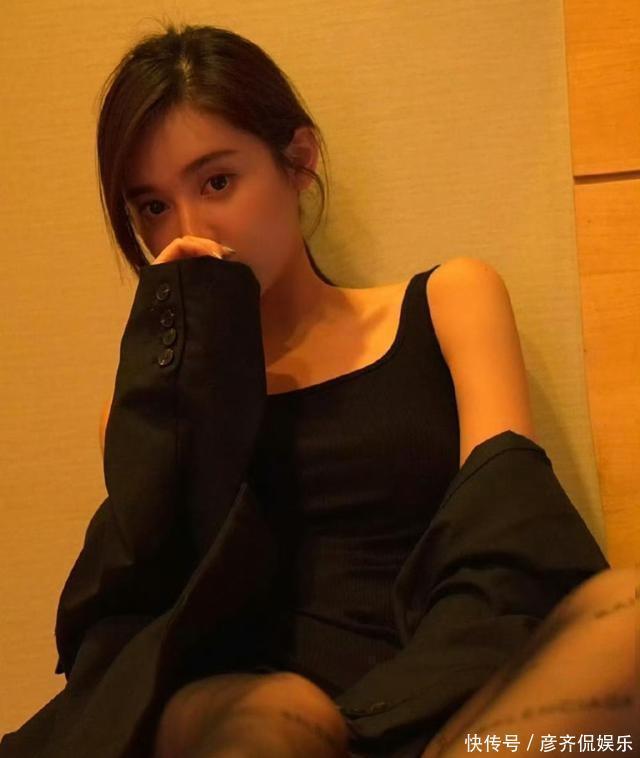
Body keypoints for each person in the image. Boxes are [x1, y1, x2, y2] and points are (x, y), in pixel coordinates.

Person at [2, 21, 635, 758]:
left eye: (216, 182)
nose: (188, 232)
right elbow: (150, 616)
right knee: (281, 712)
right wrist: (187, 340)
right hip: (245, 717)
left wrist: (410, 712)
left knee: (626, 614)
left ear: (298, 161)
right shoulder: (149, 410)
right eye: (152, 207)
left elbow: (509, 542)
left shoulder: (448, 303)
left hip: (443, 701)